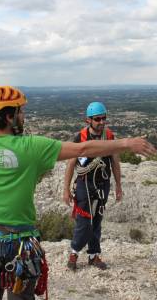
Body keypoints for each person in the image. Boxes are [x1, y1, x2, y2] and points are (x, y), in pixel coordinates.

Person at [0, 86, 156, 300]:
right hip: (20, 244)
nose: (23, 116)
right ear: (9, 116)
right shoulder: (32, 147)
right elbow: (82, 149)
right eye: (20, 111)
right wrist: (125, 143)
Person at [62, 102, 121, 271]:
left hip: (102, 184)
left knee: (97, 220)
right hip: (84, 184)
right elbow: (71, 163)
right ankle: (74, 252)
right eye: (98, 119)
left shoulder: (109, 137)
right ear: (88, 120)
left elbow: (115, 162)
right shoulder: (80, 137)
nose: (102, 122)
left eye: (104, 118)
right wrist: (66, 189)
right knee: (83, 221)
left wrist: (118, 186)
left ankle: (93, 255)